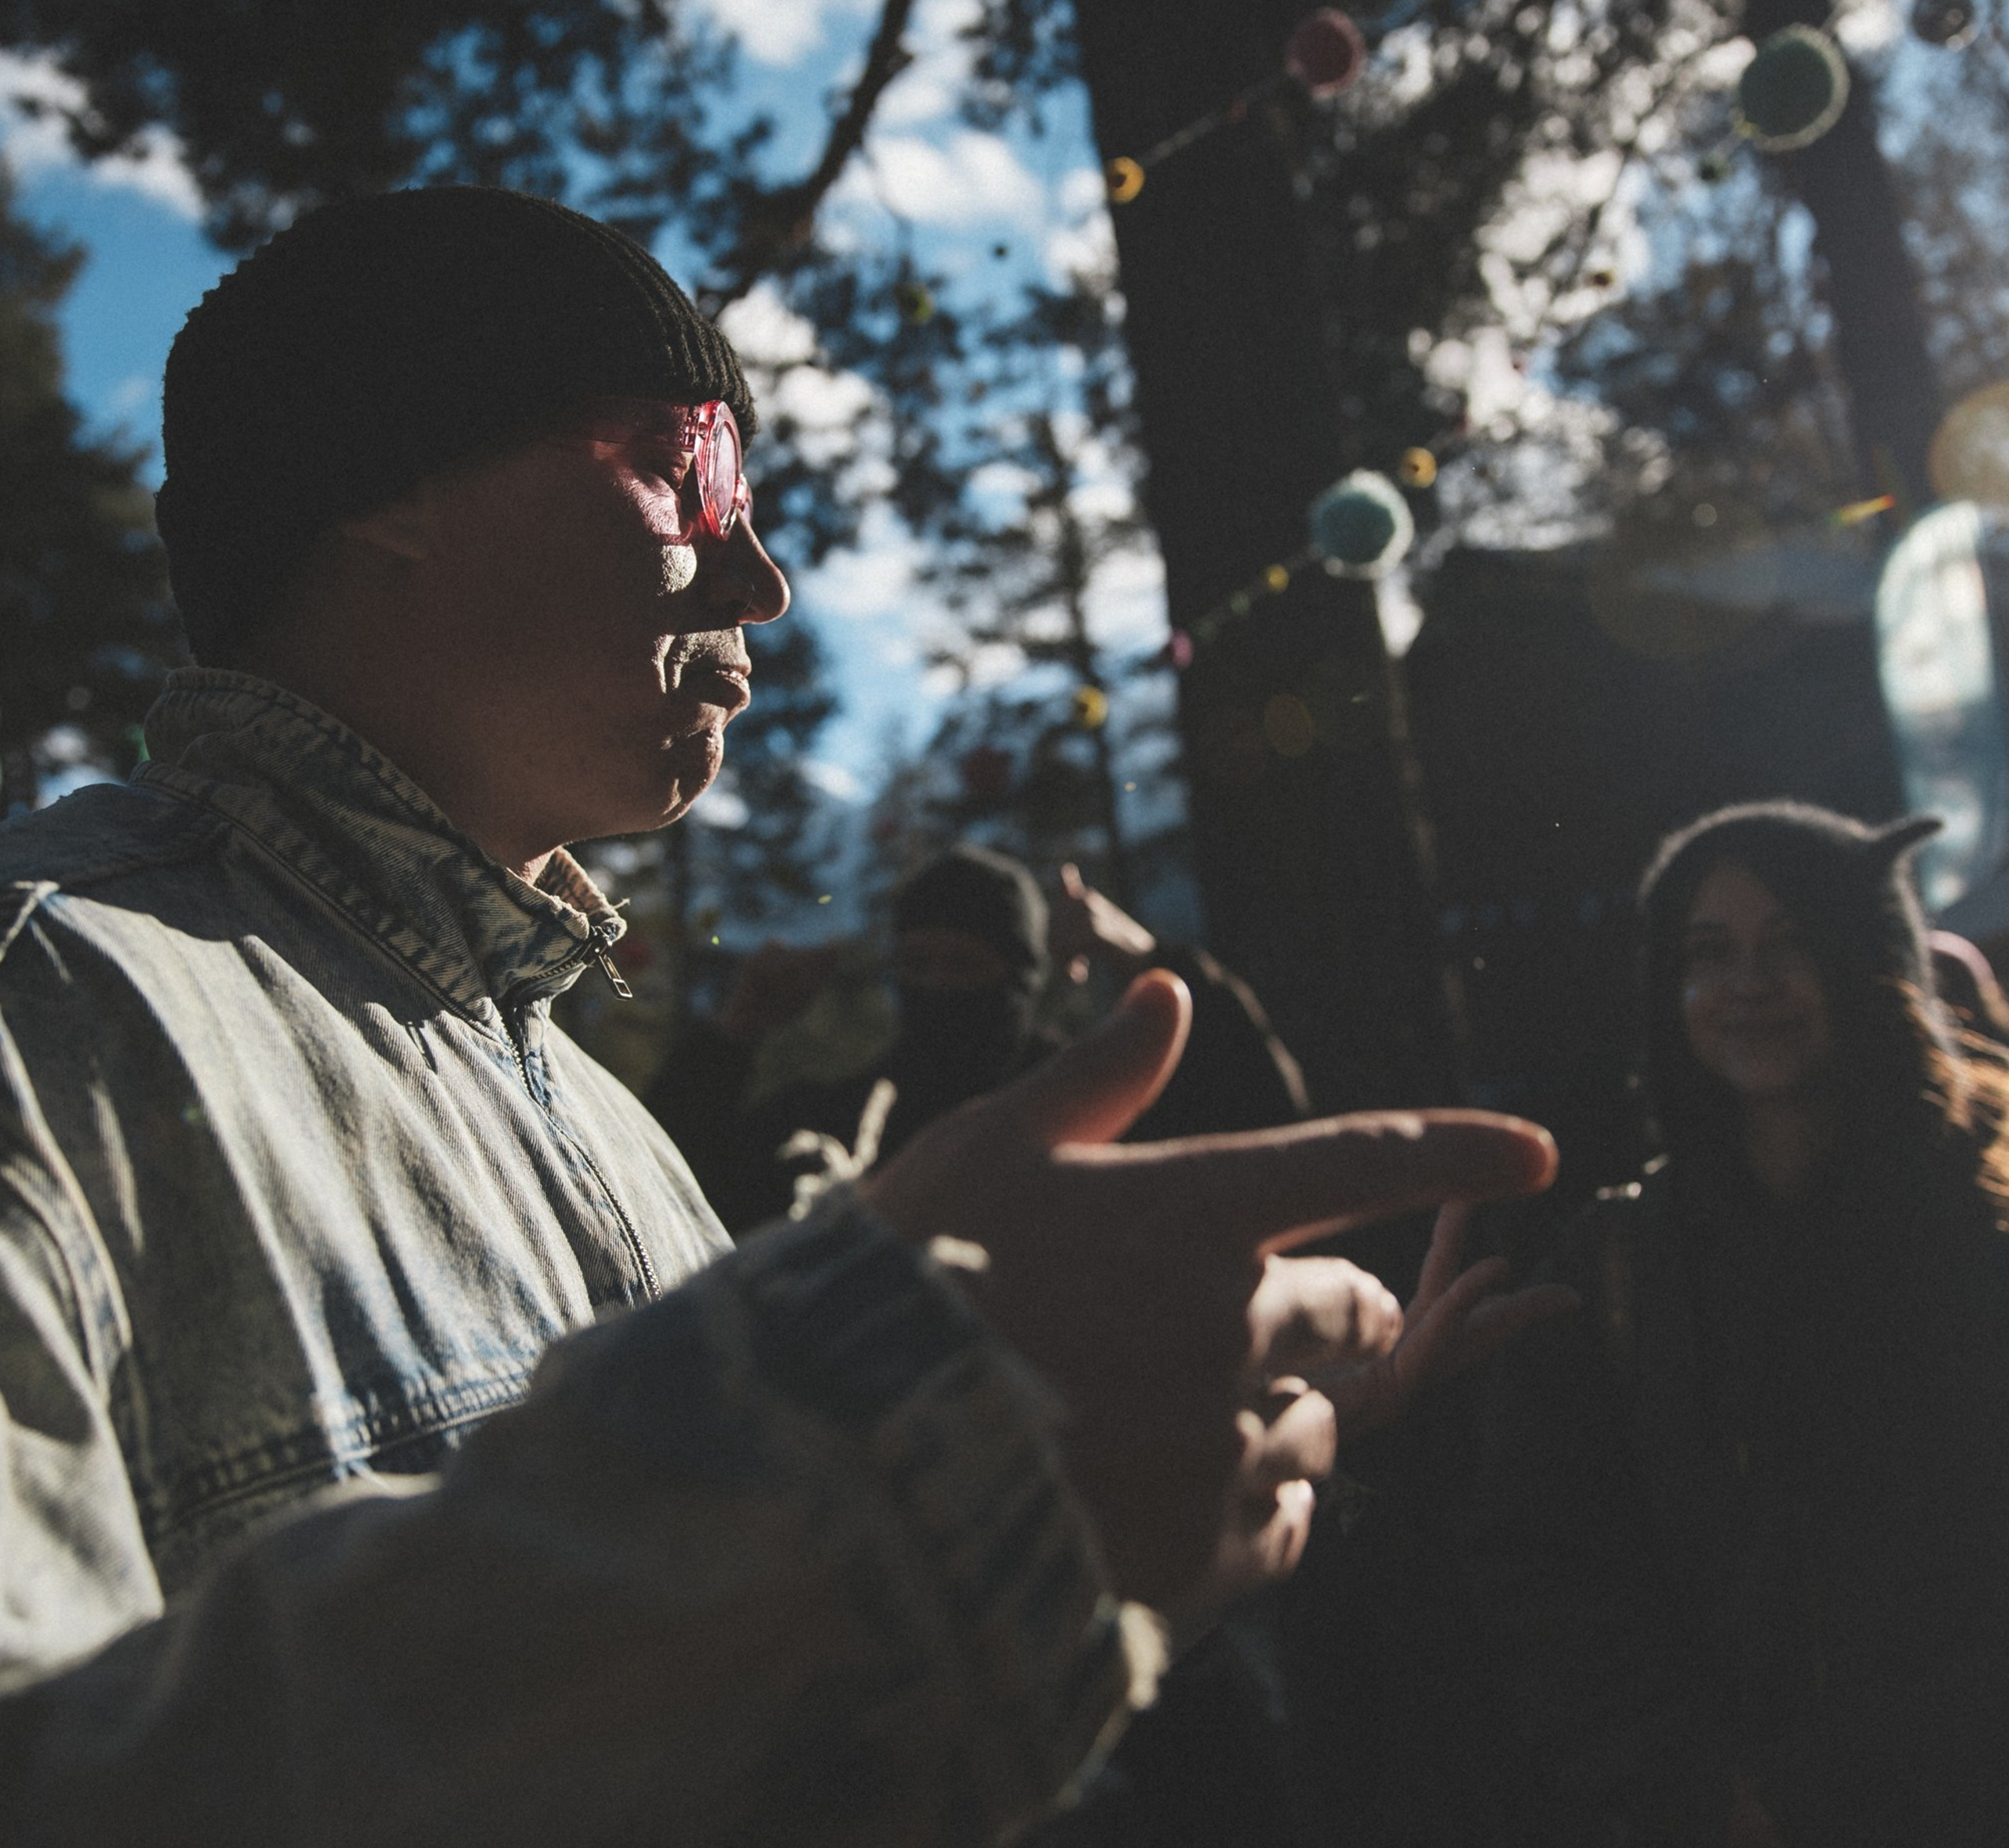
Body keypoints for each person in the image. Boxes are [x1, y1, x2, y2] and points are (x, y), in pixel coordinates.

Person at [0, 184, 1559, 1844]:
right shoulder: (52, 1010)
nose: (762, 575)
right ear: (388, 487)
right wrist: (864, 1495)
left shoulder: (594, 1114)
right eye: (692, 472)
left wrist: (1151, 1439)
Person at [1469, 801, 2009, 1847]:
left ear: (1868, 960)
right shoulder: (1618, 1269)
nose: (1746, 984)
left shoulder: (1984, 1225)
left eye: (1790, 943)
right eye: (1707, 953)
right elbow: (1543, 1569)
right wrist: (1701, 1794)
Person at [656, 847, 1311, 1235]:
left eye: (964, 965)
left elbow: (1264, 1119)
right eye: (916, 965)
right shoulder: (839, 1129)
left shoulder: (1099, 1109)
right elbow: (664, 1189)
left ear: (1018, 981)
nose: (937, 987)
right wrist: (732, 1039)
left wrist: (1143, 955)